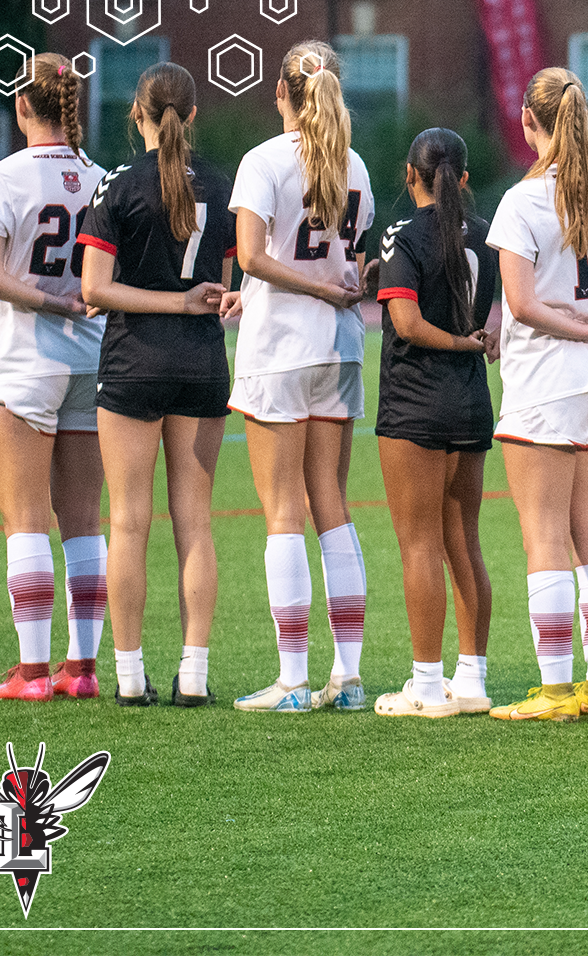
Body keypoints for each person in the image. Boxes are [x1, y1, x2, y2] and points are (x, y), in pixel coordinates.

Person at [77, 61, 239, 707]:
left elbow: (93, 289)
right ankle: (193, 674)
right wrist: (187, 302)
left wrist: (169, 302)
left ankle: (129, 675)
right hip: (201, 363)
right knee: (195, 522)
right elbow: (224, 287)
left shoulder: (117, 185)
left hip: (134, 361)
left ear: (136, 112)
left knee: (128, 522)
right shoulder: (222, 185)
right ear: (193, 114)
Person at [227, 40, 377, 714]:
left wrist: (299, 289)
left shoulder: (263, 160)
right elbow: (348, 264)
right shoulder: (357, 163)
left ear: (281, 92)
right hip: (339, 347)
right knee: (332, 505)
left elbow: (252, 256)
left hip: (281, 347)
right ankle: (348, 677)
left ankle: (292, 679)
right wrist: (321, 289)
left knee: (283, 510)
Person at [485, 67, 588, 723]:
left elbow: (521, 303)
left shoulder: (523, 201)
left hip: (547, 378)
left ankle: (553, 691)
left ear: (528, 121)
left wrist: (575, 326)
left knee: (543, 536)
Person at [0, 52, 107, 701]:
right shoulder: (99, 178)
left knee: (24, 517)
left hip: (24, 361)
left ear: (22, 104)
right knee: (83, 519)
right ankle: (82, 668)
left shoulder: (4, 176)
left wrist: (51, 302)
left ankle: (30, 673)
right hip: (92, 360)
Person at [370, 129, 501, 719]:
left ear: (410, 174)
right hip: (470, 400)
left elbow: (408, 323)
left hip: (416, 402)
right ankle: (471, 680)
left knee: (419, 544)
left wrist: (459, 342)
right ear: (464, 178)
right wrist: (471, 343)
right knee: (463, 541)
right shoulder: (485, 235)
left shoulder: (403, 232)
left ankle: (425, 685)